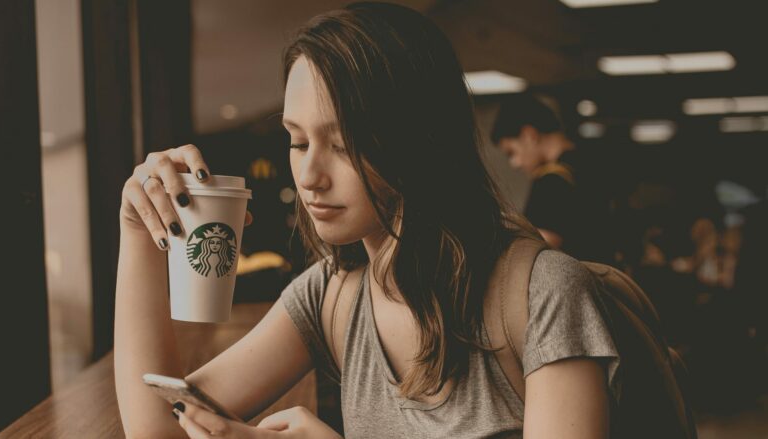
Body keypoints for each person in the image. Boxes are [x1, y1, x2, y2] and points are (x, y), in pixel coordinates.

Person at [115, 3, 620, 438]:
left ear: (421, 143)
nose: (310, 175)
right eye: (297, 141)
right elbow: (160, 427)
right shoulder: (331, 296)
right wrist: (138, 229)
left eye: (342, 144)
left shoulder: (544, 293)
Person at [490, 94, 615, 265]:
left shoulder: (551, 181)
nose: (515, 163)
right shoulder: (593, 162)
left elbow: (535, 251)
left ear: (529, 135)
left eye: (512, 152)